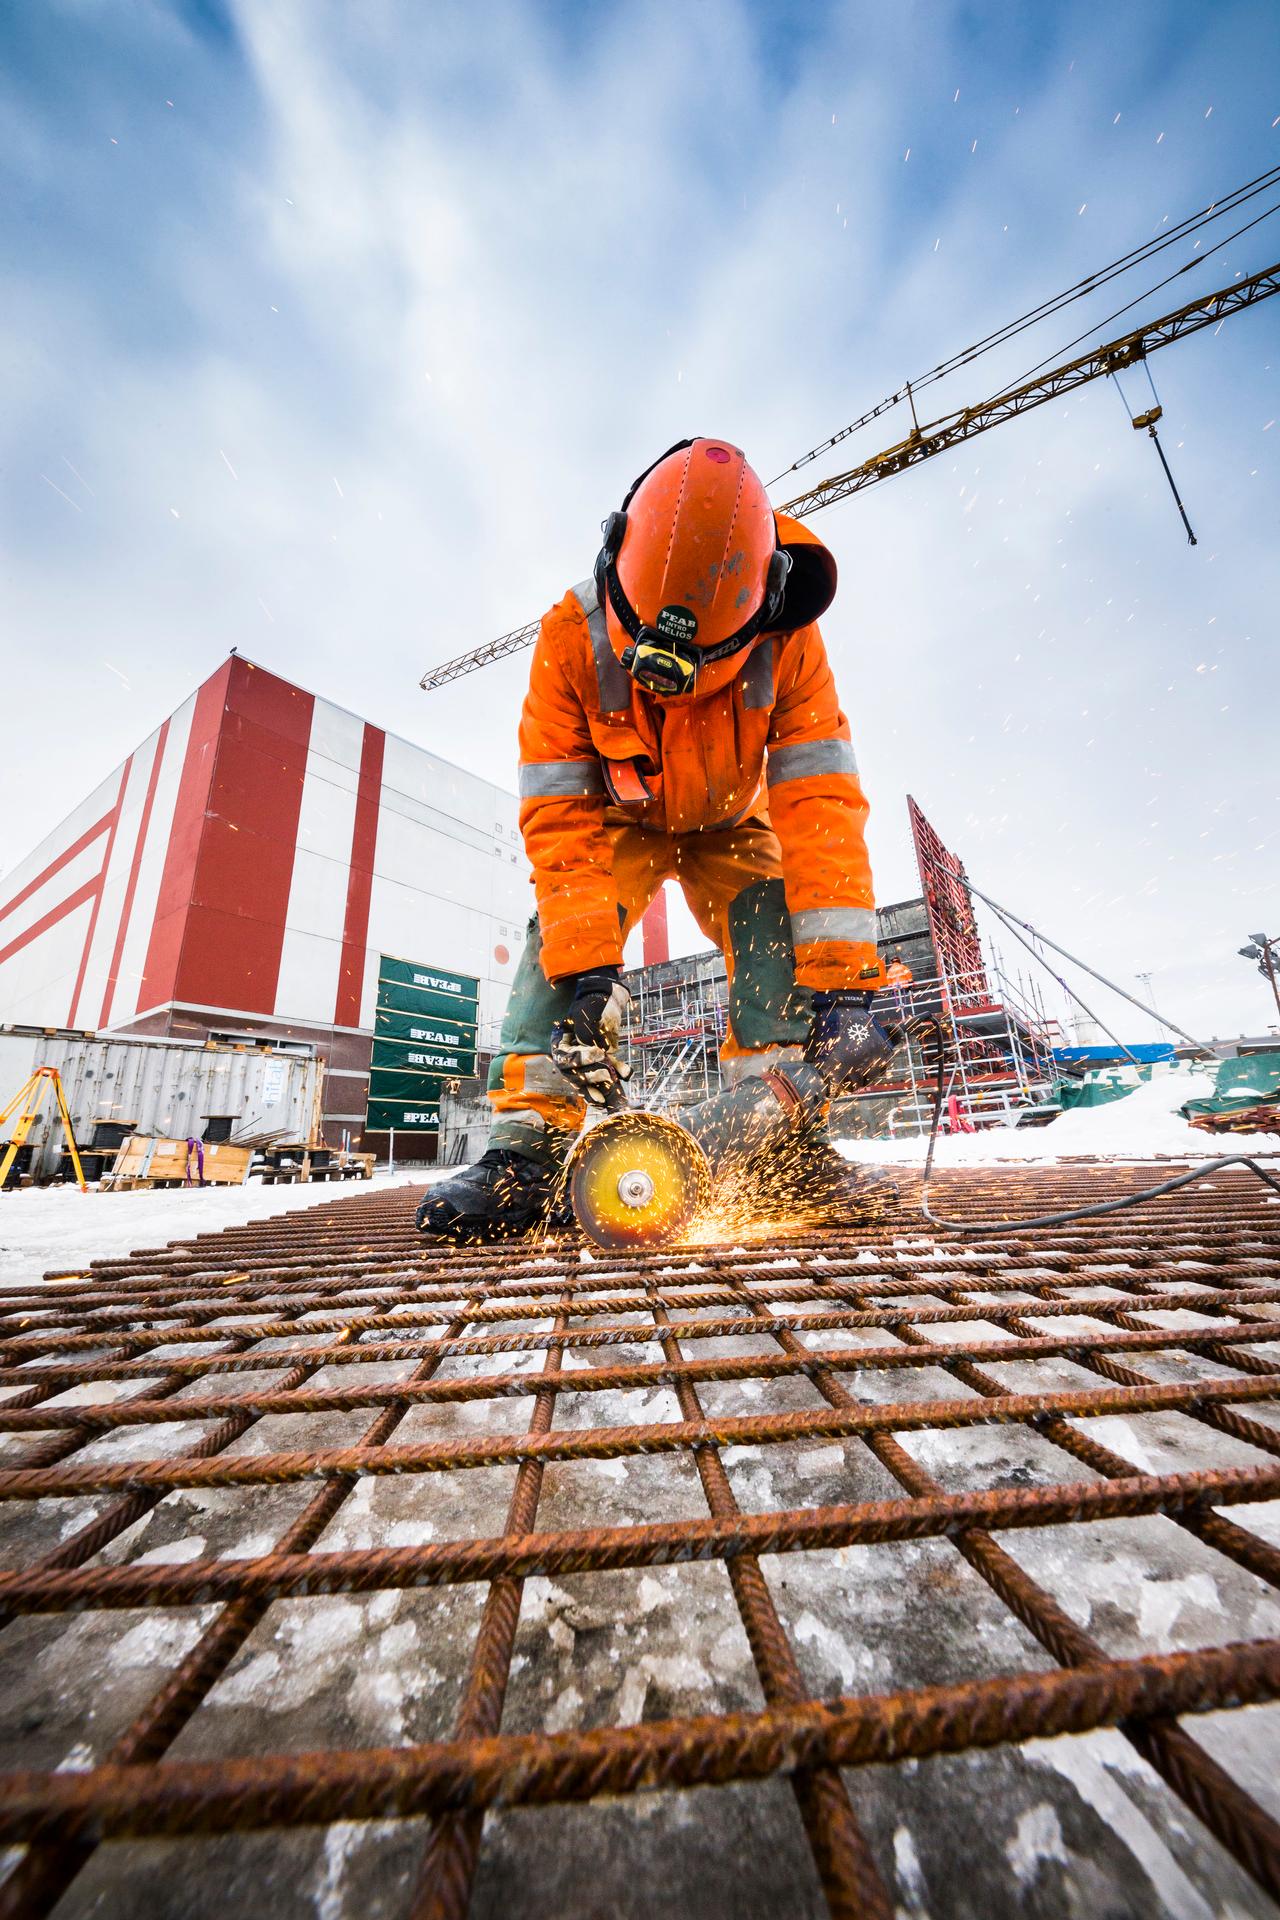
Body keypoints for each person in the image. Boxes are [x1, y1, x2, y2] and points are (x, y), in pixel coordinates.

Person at [420, 437, 896, 1241]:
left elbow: (819, 803)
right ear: (615, 560)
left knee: (770, 925)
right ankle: (525, 1151)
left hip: (731, 821)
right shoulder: (570, 635)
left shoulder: (791, 642)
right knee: (557, 944)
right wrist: (590, 970)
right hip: (621, 820)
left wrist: (845, 990)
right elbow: (560, 819)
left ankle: (782, 1148)